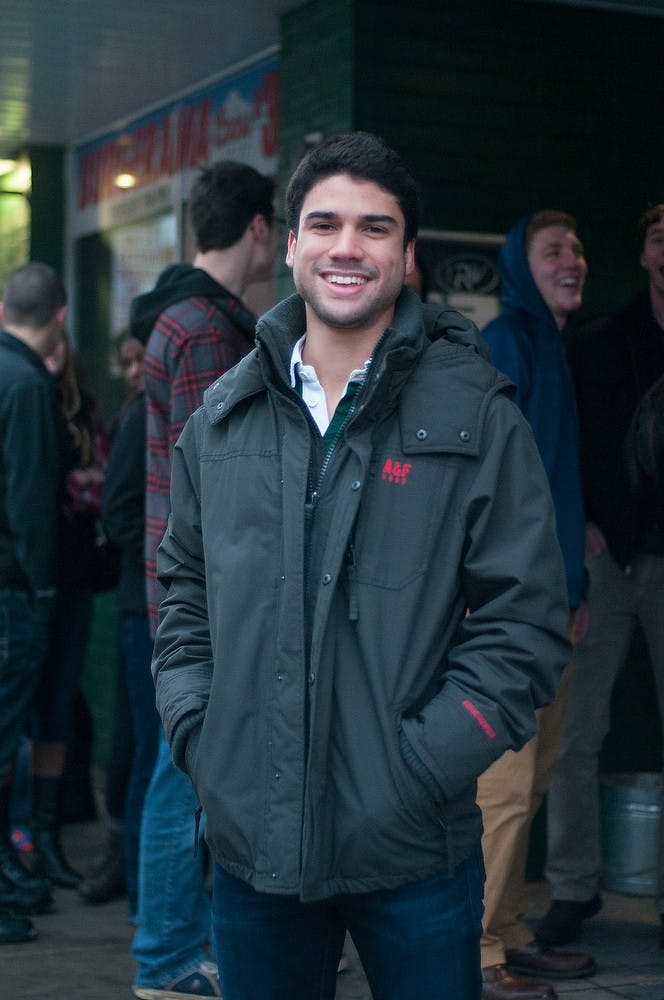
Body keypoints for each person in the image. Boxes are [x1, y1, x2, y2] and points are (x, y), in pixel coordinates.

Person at [151, 131, 571, 1000]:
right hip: (254, 848)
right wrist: (201, 735)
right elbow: (182, 595)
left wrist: (418, 771)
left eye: (375, 228)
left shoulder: (479, 416)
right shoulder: (222, 421)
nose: (349, 246)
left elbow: (523, 625)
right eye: (326, 223)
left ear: (408, 257)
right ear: (292, 245)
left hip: (411, 847)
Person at [131, 161, 279, 1000]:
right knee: (182, 777)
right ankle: (170, 960)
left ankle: (174, 952)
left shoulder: (181, 317)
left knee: (179, 772)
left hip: (183, 593)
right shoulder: (205, 329)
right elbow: (219, 482)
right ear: (259, 227)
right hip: (203, 602)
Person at [476, 211, 596, 1000]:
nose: (574, 260)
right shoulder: (507, 342)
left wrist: (577, 592)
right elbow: (504, 484)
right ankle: (477, 950)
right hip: (519, 602)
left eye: (580, 249)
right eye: (554, 249)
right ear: (522, 264)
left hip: (558, 599)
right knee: (506, 785)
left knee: (541, 770)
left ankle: (511, 930)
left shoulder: (553, 347)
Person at [537, 204, 664, 949]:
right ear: (645, 255)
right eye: (657, 237)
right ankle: (573, 887)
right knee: (578, 732)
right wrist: (581, 522)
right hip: (610, 560)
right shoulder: (603, 343)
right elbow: (570, 444)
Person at [0, 263, 69, 943]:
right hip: (11, 593)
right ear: (62, 315)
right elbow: (29, 505)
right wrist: (43, 588)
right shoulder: (25, 385)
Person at [30, 328, 111, 891]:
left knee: (58, 706)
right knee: (20, 713)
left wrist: (74, 485)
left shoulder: (84, 410)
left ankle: (47, 837)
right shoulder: (21, 398)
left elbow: (99, 487)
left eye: (60, 349)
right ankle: (20, 838)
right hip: (27, 579)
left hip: (74, 577)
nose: (53, 360)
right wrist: (74, 484)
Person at [79, 332, 153, 909]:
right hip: (139, 603)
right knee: (134, 747)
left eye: (137, 360)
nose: (131, 372)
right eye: (124, 361)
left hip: (147, 600)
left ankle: (132, 872)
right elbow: (119, 508)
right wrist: (155, 560)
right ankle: (126, 869)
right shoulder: (137, 419)